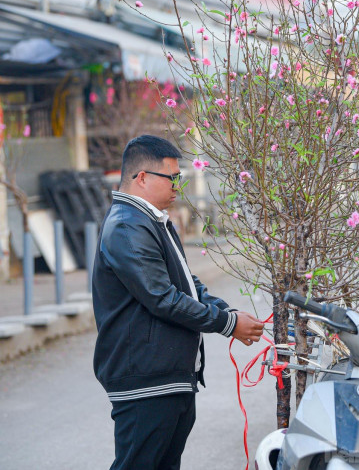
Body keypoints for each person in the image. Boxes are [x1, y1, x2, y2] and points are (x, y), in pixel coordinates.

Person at [92, 135, 264, 470]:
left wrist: (227, 313)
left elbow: (188, 284)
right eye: (171, 178)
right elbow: (162, 298)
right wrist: (227, 325)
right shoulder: (127, 226)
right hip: (145, 379)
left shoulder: (152, 221)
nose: (177, 187)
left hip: (168, 377)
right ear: (141, 177)